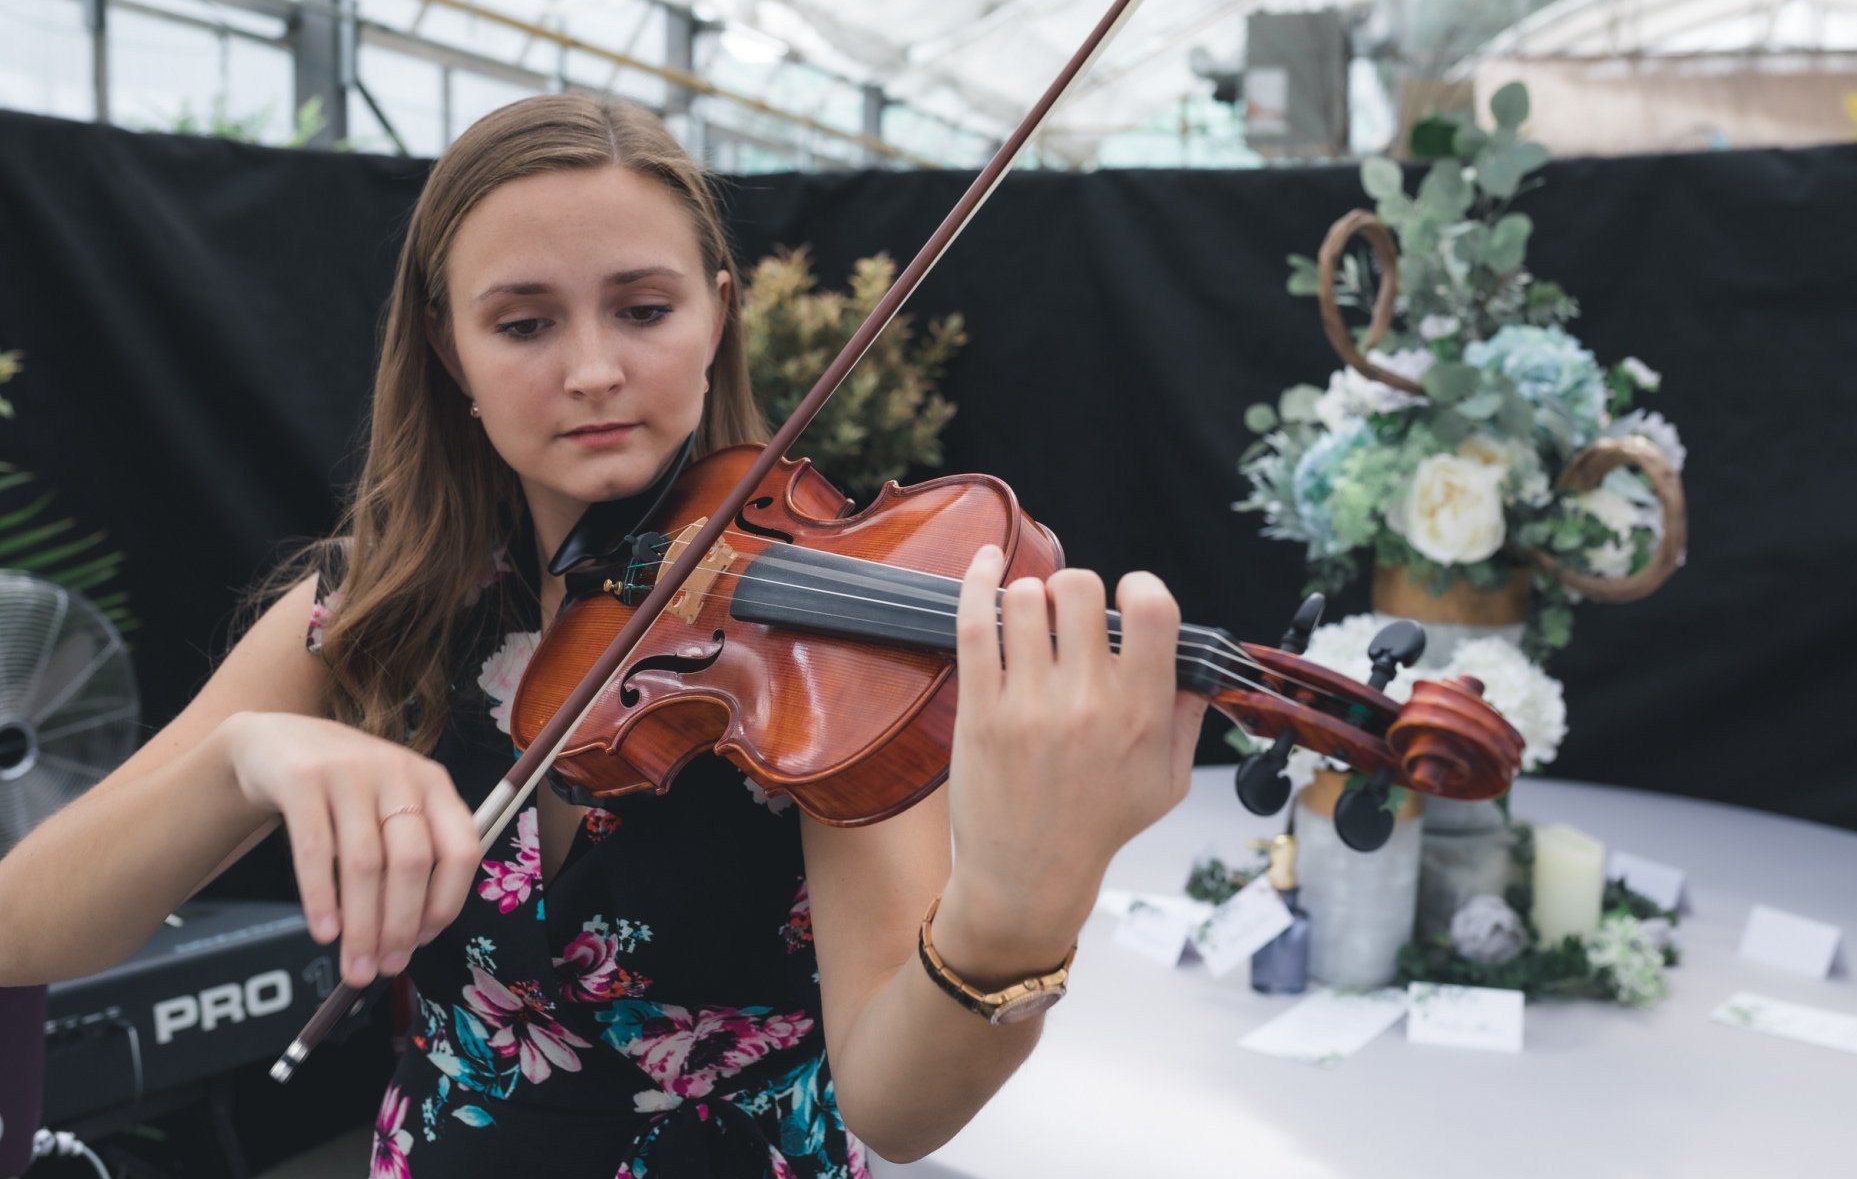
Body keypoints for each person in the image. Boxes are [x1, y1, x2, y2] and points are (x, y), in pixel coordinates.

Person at [0, 93, 1208, 1176]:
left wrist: (1012, 913)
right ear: (447, 349)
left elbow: (896, 1104)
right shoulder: (364, 615)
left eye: (642, 308)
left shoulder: (820, 649)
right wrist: (247, 750)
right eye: (524, 324)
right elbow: (23, 924)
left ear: (717, 316)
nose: (592, 369)